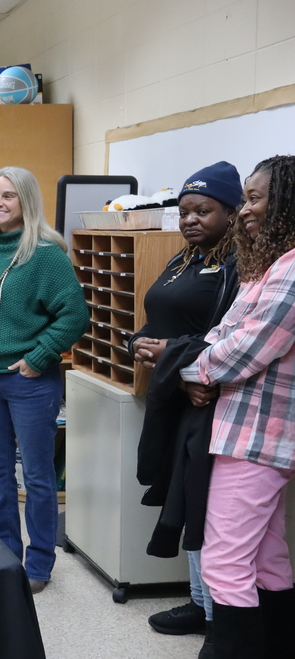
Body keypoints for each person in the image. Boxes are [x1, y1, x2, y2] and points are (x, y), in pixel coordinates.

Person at [0, 166, 88, 594]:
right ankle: (7, 554)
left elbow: (75, 315)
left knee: (39, 476)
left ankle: (40, 564)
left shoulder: (45, 254)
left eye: (8, 196)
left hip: (29, 382)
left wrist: (39, 356)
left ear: (26, 201)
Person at [177, 155, 295, 659]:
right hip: (242, 430)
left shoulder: (292, 271)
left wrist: (195, 370)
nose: (245, 209)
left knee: (223, 565)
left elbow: (248, 347)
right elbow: (222, 332)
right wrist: (206, 360)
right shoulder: (267, 267)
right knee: (267, 559)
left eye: (254, 198)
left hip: (257, 436)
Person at [128, 162, 242, 658]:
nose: (192, 219)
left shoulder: (238, 265)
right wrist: (140, 345)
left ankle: (221, 617)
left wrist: (182, 365)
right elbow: (155, 322)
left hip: (210, 400)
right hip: (177, 394)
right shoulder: (183, 260)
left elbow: (228, 338)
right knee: (184, 501)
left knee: (207, 511)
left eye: (205, 210)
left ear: (231, 213)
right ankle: (199, 602)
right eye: (185, 211)